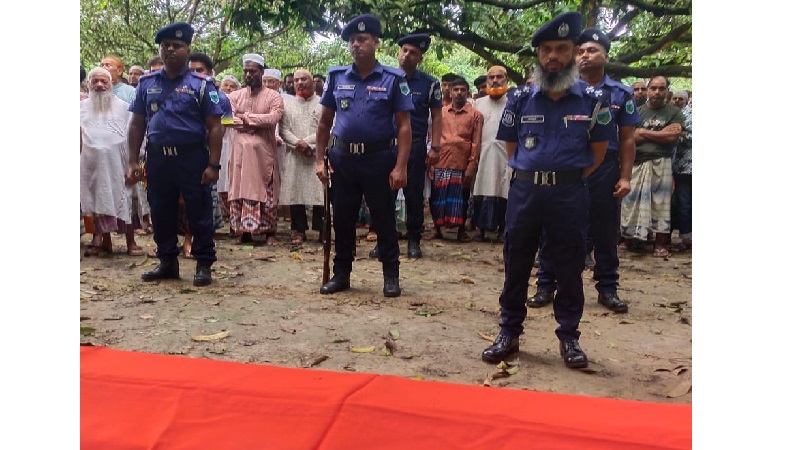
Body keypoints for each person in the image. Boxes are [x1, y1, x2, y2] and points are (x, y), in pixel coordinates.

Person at [481, 12, 613, 369]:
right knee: (517, 262)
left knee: (570, 265)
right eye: (546, 50)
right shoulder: (521, 98)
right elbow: (511, 150)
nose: (553, 56)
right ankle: (509, 332)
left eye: (561, 49)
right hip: (525, 193)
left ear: (572, 53)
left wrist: (563, 177)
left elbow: (598, 154)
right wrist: (534, 174)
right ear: (538, 55)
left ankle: (569, 337)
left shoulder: (593, 99)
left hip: (569, 194)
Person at [529, 27, 640, 314]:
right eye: (580, 51)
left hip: (605, 167)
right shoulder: (559, 89)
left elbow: (627, 137)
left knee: (604, 229)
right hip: (566, 166)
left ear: (606, 54)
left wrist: (625, 176)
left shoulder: (620, 93)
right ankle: (545, 284)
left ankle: (607, 287)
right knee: (554, 227)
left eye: (591, 50)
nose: (585, 56)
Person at [316, 13, 414, 298]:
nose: (356, 45)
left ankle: (391, 275)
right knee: (343, 219)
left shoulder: (394, 79)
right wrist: (320, 159)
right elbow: (324, 123)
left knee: (384, 219)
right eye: (352, 41)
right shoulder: (336, 77)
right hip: (343, 159)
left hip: (379, 159)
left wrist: (401, 167)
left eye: (362, 39)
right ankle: (341, 274)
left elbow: (405, 126)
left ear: (376, 43)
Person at [126, 22, 224, 287]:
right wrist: (133, 160)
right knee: (160, 210)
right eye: (166, 45)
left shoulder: (202, 84)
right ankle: (167, 261)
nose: (170, 49)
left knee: (199, 210)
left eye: (177, 46)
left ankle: (204, 263)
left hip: (192, 158)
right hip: (158, 158)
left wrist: (213, 165)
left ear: (187, 50)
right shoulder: (146, 84)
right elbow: (136, 124)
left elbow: (216, 127)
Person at [368, 33, 442, 259]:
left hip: (416, 146)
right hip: (386, 147)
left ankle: (413, 240)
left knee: (414, 195)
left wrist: (435, 147)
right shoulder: (384, 79)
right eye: (405, 51)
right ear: (398, 53)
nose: (408, 56)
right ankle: (384, 241)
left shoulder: (430, 84)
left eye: (414, 53)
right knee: (384, 196)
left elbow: (437, 117)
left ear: (420, 59)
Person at [619, 75, 685, 257]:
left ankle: (660, 244)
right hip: (636, 162)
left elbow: (673, 137)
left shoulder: (674, 112)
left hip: (661, 162)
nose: (657, 92)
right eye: (653, 88)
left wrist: (643, 131)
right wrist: (659, 133)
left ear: (667, 91)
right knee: (631, 202)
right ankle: (628, 239)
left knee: (661, 203)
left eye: (661, 88)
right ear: (648, 90)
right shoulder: (636, 111)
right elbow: (630, 138)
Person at [81, 67, 143, 257]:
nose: (99, 85)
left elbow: (137, 134)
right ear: (89, 85)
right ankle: (105, 242)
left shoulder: (124, 106)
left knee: (126, 200)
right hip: (92, 165)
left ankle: (131, 243)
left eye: (103, 81)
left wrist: (135, 163)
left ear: (111, 84)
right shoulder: (80, 108)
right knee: (101, 201)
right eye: (95, 81)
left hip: (121, 163)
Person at [226, 54, 285, 246]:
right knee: (240, 190)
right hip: (240, 154)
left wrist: (246, 118)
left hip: (263, 154)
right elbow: (227, 119)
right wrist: (252, 120)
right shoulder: (235, 96)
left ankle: (269, 233)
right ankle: (244, 233)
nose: (248, 74)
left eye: (253, 71)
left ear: (261, 72)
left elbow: (273, 118)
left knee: (266, 190)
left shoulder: (273, 96)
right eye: (246, 71)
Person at [426, 77, 482, 243]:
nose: (458, 93)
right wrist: (430, 163)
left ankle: (460, 231)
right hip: (440, 160)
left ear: (468, 92)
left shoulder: (475, 115)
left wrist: (472, 165)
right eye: (455, 90)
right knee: (437, 197)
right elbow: (431, 136)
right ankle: (437, 229)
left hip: (461, 162)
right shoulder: (440, 113)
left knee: (462, 198)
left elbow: (476, 142)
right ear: (449, 92)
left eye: (462, 90)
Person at [279, 69, 325, 244]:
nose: (299, 83)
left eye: (304, 79)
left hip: (317, 154)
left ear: (313, 82)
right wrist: (299, 144)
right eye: (296, 80)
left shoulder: (322, 103)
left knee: (319, 192)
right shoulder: (287, 104)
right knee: (295, 191)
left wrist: (308, 144)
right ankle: (298, 229)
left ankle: (322, 229)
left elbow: (327, 128)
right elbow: (283, 130)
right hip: (295, 154)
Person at [472, 65, 513, 243]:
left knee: (505, 190)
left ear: (507, 80)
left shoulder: (514, 102)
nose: (495, 80)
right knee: (481, 188)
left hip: (507, 156)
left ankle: (503, 229)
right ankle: (481, 230)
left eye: (499, 77)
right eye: (491, 77)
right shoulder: (477, 104)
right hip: (483, 155)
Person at [217, 74, 241, 224]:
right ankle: (222, 213)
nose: (229, 88)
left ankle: (232, 215)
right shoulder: (215, 100)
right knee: (220, 177)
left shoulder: (239, 101)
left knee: (230, 178)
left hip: (234, 140)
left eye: (232, 86)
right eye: (226, 85)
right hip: (219, 142)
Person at [670, 93, 691, 253]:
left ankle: (686, 237)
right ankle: (685, 237)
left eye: (680, 99)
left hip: (689, 167)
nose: (677, 101)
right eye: (675, 98)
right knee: (680, 203)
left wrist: (679, 133)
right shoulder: (669, 114)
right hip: (677, 166)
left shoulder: (690, 115)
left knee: (686, 203)